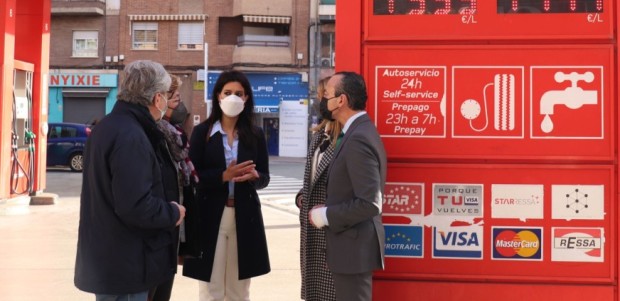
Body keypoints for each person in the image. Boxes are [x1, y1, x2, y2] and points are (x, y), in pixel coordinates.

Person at [74, 60, 186, 301]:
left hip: (108, 259)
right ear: (157, 98)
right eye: (166, 96)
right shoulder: (132, 136)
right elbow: (135, 206)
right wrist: (172, 212)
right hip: (126, 265)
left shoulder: (108, 127)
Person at [184, 70, 271, 301]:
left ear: (247, 98)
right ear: (219, 96)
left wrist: (254, 176)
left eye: (239, 93)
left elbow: (264, 176)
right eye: (228, 92)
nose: (233, 97)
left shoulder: (255, 134)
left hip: (245, 215)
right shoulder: (203, 132)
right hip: (210, 215)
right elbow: (192, 176)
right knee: (211, 287)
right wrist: (223, 176)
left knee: (239, 289)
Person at [308, 71, 387, 301]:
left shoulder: (358, 137)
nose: (323, 100)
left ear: (341, 100)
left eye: (327, 95)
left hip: (353, 250)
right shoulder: (355, 131)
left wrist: (326, 215)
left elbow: (370, 203)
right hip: (350, 249)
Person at [150, 74, 198, 301]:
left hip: (171, 227)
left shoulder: (174, 137)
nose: (182, 107)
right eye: (177, 100)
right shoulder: (156, 134)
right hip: (158, 229)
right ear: (161, 99)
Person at [296, 76, 338, 301]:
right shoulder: (319, 135)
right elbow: (311, 178)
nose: (319, 102)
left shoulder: (346, 138)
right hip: (311, 230)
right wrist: (302, 196)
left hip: (331, 230)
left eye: (323, 97)